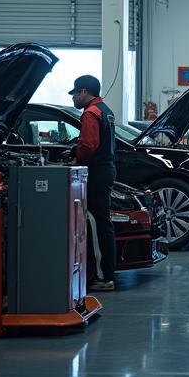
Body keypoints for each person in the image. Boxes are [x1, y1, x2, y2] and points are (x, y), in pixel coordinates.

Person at [69, 75, 117, 292]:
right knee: (103, 222)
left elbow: (88, 144)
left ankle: (103, 276)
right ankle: (107, 272)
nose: (73, 99)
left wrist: (76, 159)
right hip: (107, 168)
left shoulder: (90, 113)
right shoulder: (106, 110)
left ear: (84, 92)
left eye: (75, 94)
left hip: (96, 171)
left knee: (96, 223)